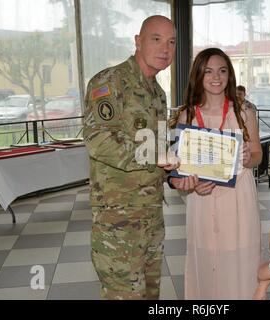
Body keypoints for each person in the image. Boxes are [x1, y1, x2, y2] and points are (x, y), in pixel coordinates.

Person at [83, 15, 178, 300]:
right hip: (118, 224)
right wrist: (156, 157)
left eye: (172, 42)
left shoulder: (158, 94)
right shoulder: (110, 82)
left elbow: (161, 154)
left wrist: (180, 176)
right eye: (156, 39)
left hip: (150, 218)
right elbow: (98, 140)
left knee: (150, 295)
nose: (165, 48)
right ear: (138, 41)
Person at [168, 47, 263, 299]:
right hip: (202, 198)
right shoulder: (186, 114)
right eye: (208, 71)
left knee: (239, 261)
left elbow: (257, 156)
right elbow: (181, 166)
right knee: (205, 260)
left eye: (222, 71)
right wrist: (190, 184)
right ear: (198, 76)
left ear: (229, 75)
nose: (216, 77)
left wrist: (248, 157)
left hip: (238, 196)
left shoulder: (244, 111)